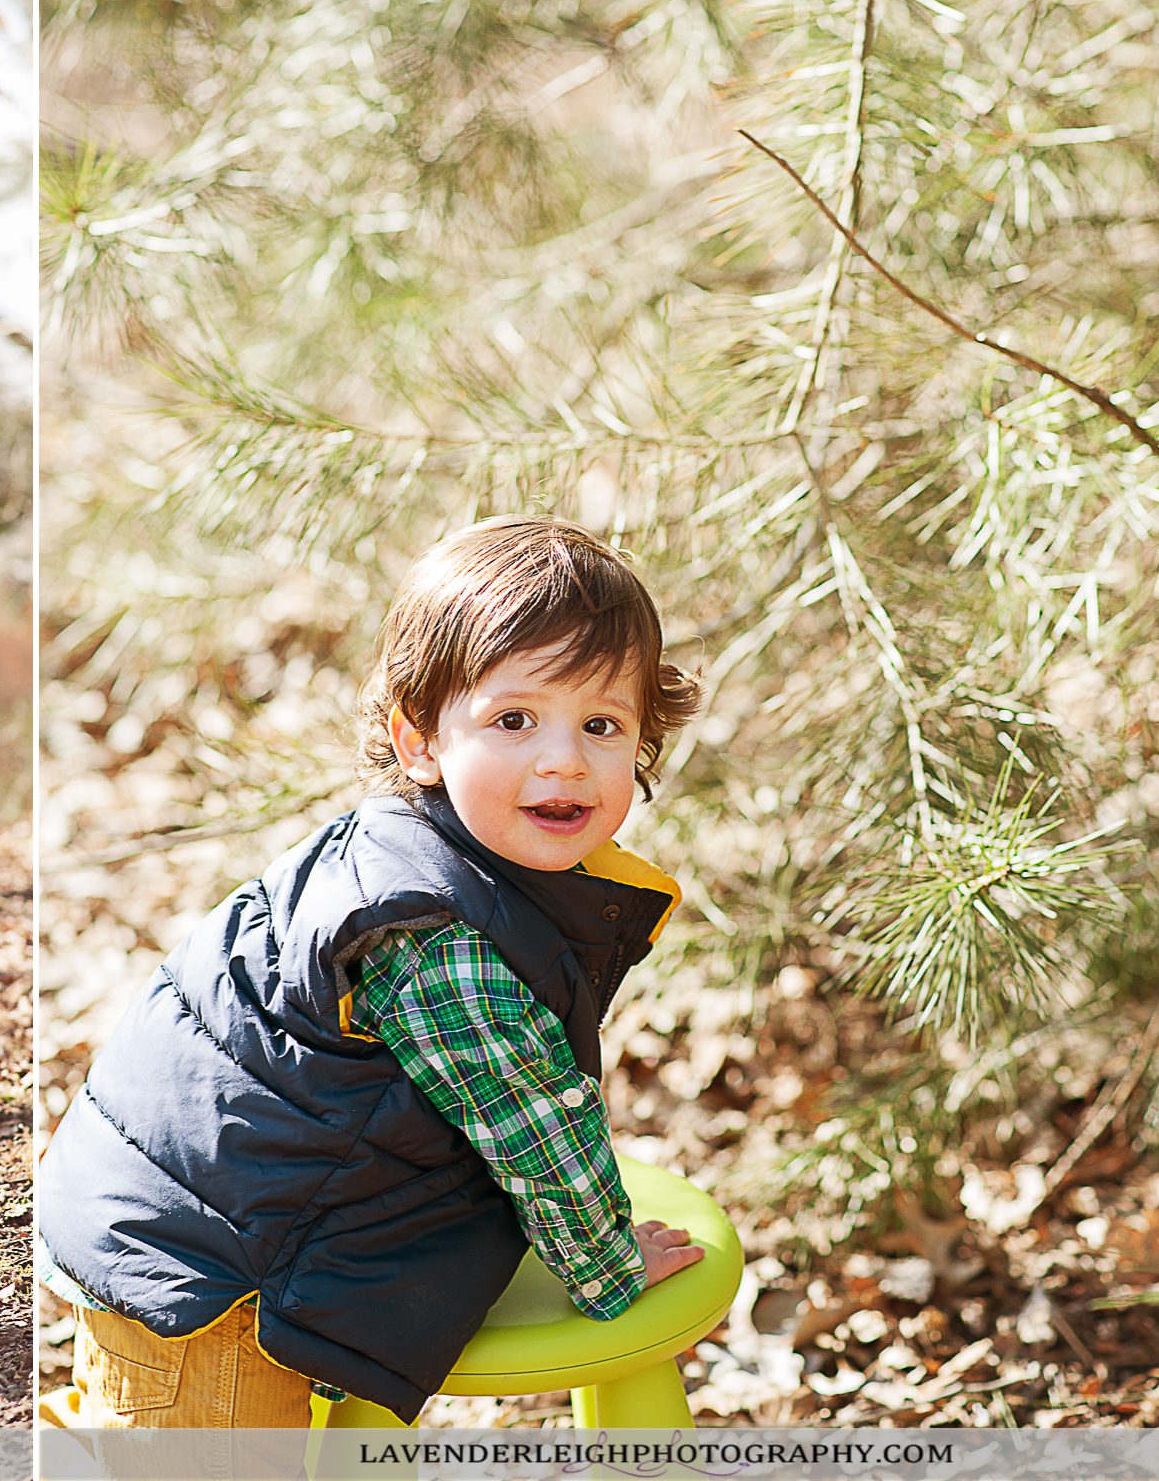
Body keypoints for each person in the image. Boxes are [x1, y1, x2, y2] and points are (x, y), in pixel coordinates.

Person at [37, 516, 710, 1425]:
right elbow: (531, 1119)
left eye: (601, 724)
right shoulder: (431, 931)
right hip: (213, 1285)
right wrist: (607, 1263)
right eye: (514, 719)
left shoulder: (440, 854)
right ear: (420, 741)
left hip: (223, 1216)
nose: (564, 759)